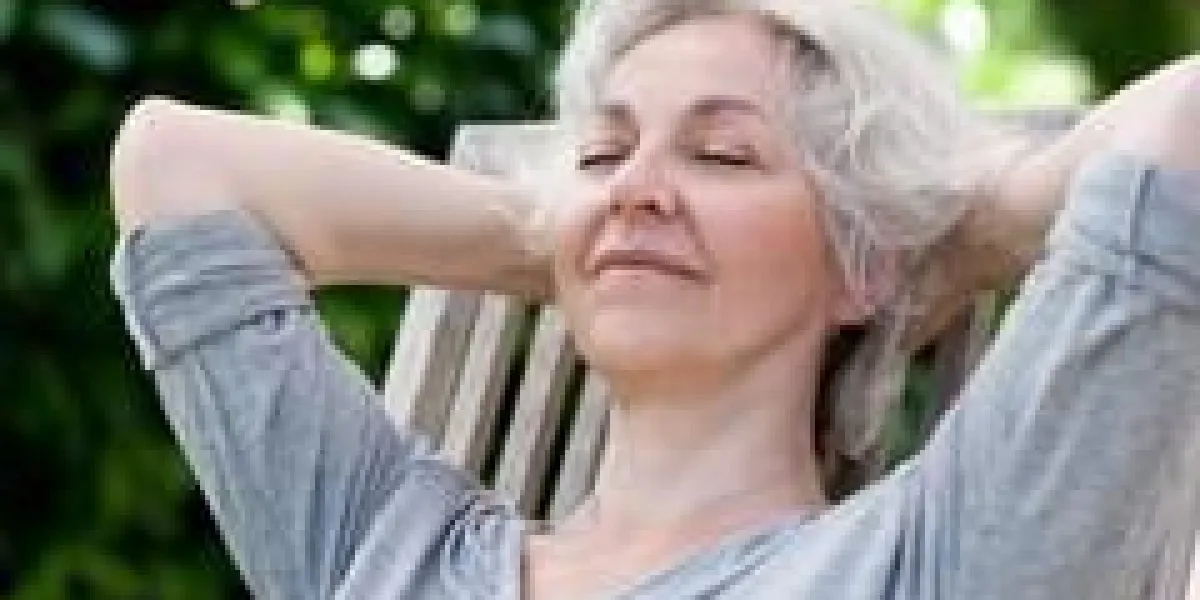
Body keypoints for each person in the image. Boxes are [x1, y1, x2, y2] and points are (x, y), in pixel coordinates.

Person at [108, 0, 1200, 598]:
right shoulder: (378, 539)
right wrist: (566, 237)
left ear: (859, 269)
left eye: (723, 155)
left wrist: (934, 245)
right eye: (605, 150)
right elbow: (171, 165)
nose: (637, 188)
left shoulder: (944, 559)